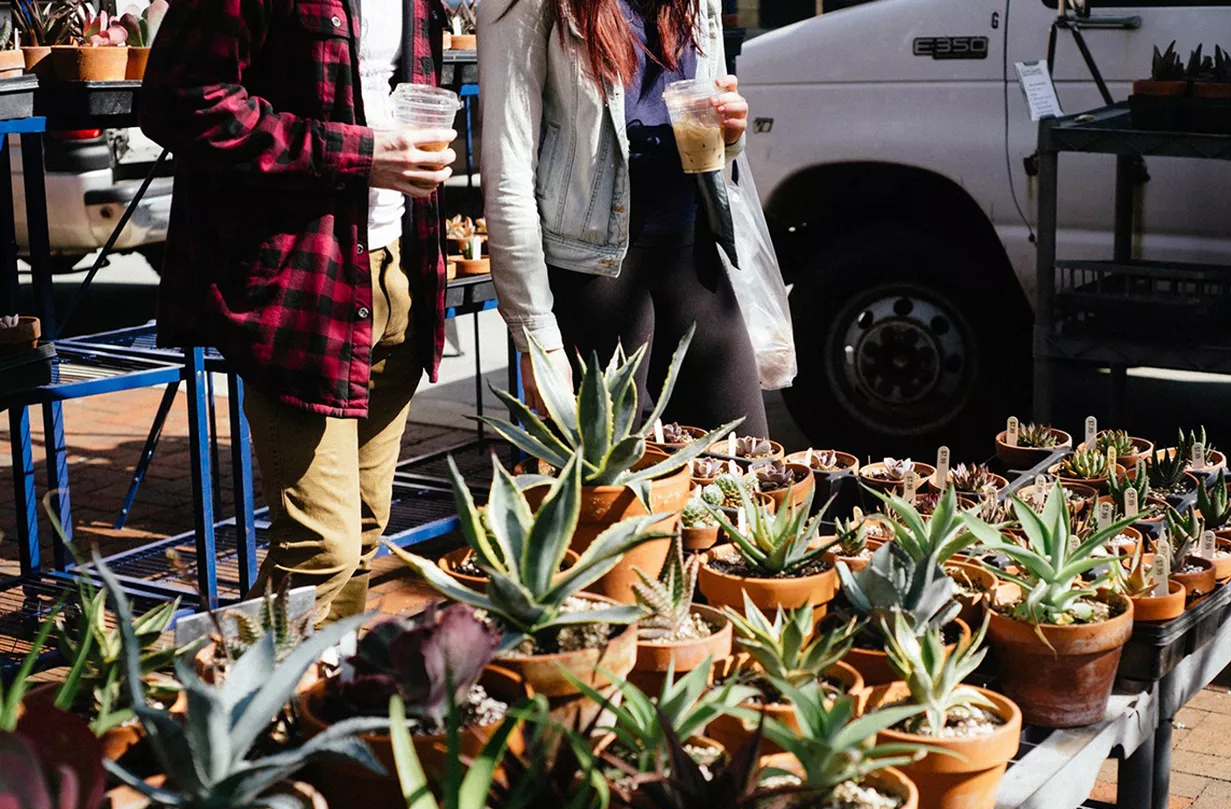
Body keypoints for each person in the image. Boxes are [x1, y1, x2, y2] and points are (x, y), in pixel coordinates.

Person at [140, 0, 456, 622]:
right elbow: (180, 98)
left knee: (363, 534)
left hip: (398, 268)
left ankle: (319, 704)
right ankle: (239, 708)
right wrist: (358, 154)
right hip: (300, 282)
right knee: (321, 549)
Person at [479, 0, 767, 435]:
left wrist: (730, 134)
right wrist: (536, 336)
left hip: (693, 256)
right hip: (592, 275)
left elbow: (715, 132)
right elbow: (507, 172)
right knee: (617, 494)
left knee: (747, 472)